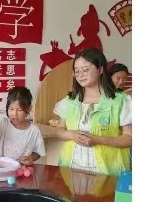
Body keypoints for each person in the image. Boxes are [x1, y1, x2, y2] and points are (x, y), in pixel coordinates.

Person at [51, 48, 131, 176]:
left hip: (109, 171)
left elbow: (129, 139)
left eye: (85, 70)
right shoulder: (69, 101)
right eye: (77, 71)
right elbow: (59, 130)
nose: (80, 75)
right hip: (71, 167)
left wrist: (98, 140)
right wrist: (71, 135)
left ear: (100, 69)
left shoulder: (121, 101)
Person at [0, 87, 45, 165]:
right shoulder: (4, 124)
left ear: (29, 109)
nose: (14, 114)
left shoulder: (34, 130)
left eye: (19, 110)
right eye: (11, 109)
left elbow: (38, 152)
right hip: (1, 168)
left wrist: (31, 158)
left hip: (22, 169)